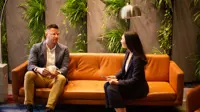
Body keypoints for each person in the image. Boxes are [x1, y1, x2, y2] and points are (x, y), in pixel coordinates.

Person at [24, 24, 69, 112]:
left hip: (54, 79)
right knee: (29, 74)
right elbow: (30, 65)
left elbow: (65, 67)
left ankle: (49, 108)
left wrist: (58, 72)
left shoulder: (64, 49)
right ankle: (29, 106)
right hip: (40, 77)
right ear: (46, 34)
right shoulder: (36, 47)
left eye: (58, 34)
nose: (56, 36)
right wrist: (39, 70)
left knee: (62, 78)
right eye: (53, 34)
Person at [104, 32, 149, 112]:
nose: (121, 41)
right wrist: (115, 77)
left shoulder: (137, 58)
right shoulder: (128, 52)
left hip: (137, 88)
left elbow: (135, 80)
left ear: (128, 41)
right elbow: (124, 70)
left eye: (122, 39)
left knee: (111, 88)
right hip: (130, 84)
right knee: (107, 85)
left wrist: (117, 82)